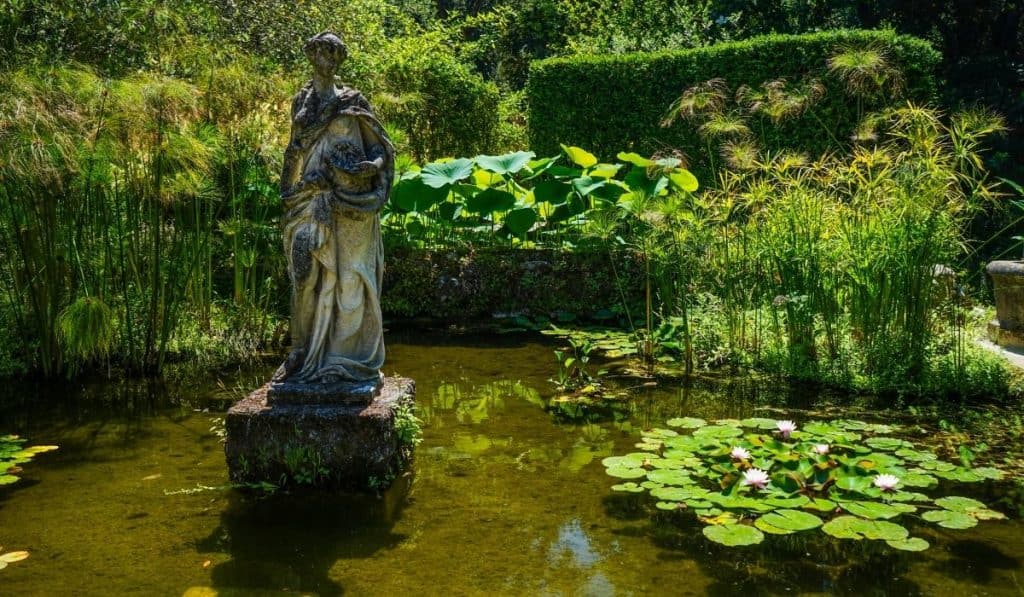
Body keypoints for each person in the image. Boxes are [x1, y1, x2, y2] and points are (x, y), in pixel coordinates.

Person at [274, 31, 394, 386]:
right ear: (311, 56)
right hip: (310, 200)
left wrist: (371, 168)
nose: (327, 60)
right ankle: (301, 351)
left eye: (334, 54)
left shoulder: (353, 100)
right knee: (304, 276)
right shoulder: (302, 103)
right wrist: (290, 187)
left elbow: (380, 149)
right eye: (321, 53)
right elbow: (293, 150)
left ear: (340, 59)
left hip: (351, 202)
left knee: (350, 282)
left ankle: (342, 361)